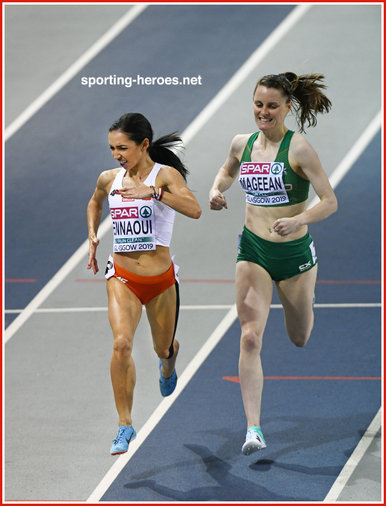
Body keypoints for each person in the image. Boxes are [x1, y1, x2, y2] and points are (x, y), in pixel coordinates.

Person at [209, 73, 338, 455]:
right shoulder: (242, 143)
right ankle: (253, 429)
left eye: (272, 106)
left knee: (300, 337)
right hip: (254, 251)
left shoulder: (299, 149)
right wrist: (217, 190)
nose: (263, 112)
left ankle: (306, 300)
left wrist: (299, 220)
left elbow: (330, 201)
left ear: (287, 108)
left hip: (294, 255)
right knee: (250, 335)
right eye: (258, 104)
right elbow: (228, 168)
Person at [87, 113, 201, 455]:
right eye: (111, 148)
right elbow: (94, 201)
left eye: (123, 147)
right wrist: (92, 234)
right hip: (122, 277)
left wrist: (153, 192)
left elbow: (194, 210)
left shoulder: (165, 175)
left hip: (161, 281)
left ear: (144, 145)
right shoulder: (109, 179)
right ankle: (124, 424)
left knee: (161, 348)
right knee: (121, 343)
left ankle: (169, 361)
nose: (116, 154)